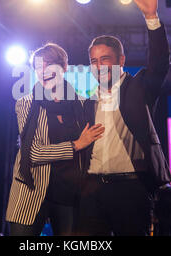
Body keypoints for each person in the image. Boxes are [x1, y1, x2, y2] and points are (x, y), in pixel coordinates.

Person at [77, 0, 171, 236]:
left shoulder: (138, 88)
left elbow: (160, 63)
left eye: (105, 59)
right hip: (92, 189)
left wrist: (151, 17)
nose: (98, 66)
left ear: (121, 60)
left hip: (130, 189)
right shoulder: (88, 102)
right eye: (93, 61)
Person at [6, 43, 105, 236]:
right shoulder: (26, 102)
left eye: (48, 65)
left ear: (64, 68)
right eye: (37, 67)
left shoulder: (81, 104)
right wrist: (76, 145)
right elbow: (33, 152)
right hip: (31, 191)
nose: (43, 71)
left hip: (69, 193)